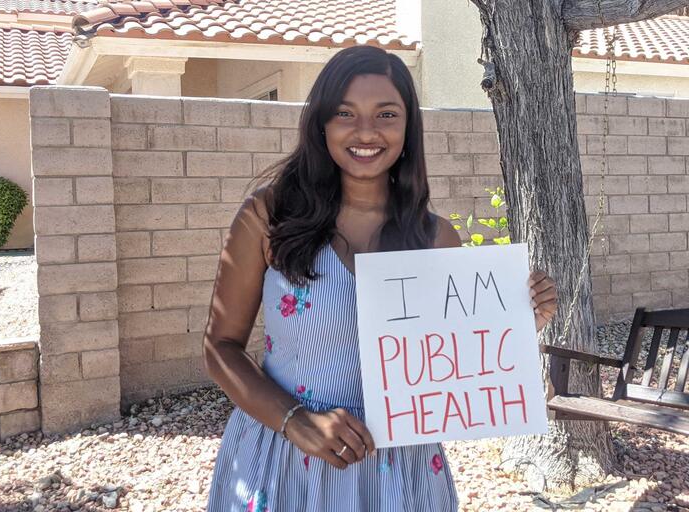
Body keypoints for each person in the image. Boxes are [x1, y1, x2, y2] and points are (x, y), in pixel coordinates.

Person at [203, 45, 558, 511]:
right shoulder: (269, 216)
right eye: (345, 112)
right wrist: (297, 421)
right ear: (322, 124)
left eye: (386, 114)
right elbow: (220, 348)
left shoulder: (435, 237)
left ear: (409, 126)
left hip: (399, 475)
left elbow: (457, 358)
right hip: (286, 461)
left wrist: (519, 321)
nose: (366, 131)